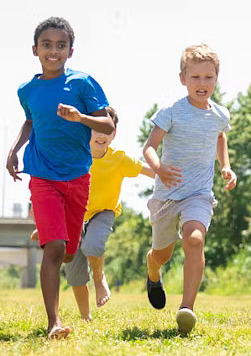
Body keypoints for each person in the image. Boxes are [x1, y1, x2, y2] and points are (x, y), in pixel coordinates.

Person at [5, 17, 114, 339]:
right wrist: (14, 150)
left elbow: (107, 125)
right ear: (35, 49)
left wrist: (80, 117)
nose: (54, 51)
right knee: (53, 249)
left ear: (70, 50)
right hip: (42, 174)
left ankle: (53, 231)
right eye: (47, 45)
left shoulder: (83, 84)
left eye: (61, 45)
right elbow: (30, 121)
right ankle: (54, 322)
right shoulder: (27, 90)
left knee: (67, 252)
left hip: (77, 176)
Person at [143, 44, 237, 335]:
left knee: (195, 239)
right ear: (182, 78)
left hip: (198, 193)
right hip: (166, 196)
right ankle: (152, 268)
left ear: (216, 79)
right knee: (163, 253)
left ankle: (187, 308)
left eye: (209, 77)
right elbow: (148, 148)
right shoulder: (171, 112)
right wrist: (159, 168)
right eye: (195, 77)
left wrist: (226, 165)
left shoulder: (220, 114)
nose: (202, 83)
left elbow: (220, 136)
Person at [63, 106, 154, 321]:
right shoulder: (74, 157)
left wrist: (171, 178)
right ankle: (86, 317)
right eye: (96, 128)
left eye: (107, 129)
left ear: (114, 134)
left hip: (103, 212)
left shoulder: (119, 160)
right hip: (74, 216)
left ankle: (98, 277)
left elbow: (146, 170)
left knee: (93, 246)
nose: (102, 134)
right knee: (75, 273)